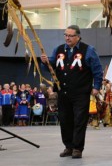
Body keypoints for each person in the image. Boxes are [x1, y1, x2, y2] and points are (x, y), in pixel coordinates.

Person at [41, 25, 103, 159]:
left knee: (80, 120)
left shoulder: (88, 50)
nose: (67, 38)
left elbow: (98, 70)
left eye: (70, 36)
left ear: (78, 36)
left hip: (81, 92)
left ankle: (77, 148)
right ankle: (68, 146)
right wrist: (45, 62)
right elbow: (50, 67)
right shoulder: (58, 50)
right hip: (63, 92)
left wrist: (96, 86)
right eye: (65, 35)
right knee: (65, 120)